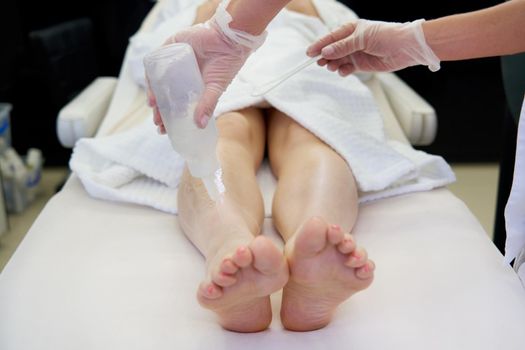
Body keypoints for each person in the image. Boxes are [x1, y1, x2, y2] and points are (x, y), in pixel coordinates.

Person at [141, 0, 454, 333]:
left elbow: (360, 50)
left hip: (305, 70)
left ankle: (314, 253)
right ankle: (229, 244)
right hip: (212, 71)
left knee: (311, 133)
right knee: (220, 138)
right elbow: (150, 59)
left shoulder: (322, 5)